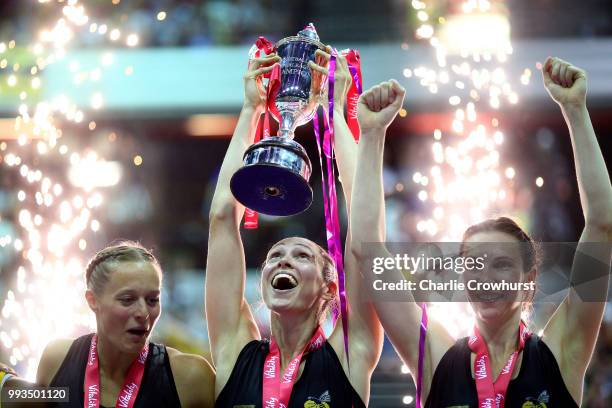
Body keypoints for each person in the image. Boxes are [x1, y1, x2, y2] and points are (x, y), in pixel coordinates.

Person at [350, 57, 611, 407]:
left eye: (501, 264)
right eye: (473, 264)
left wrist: (575, 110)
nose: (485, 276)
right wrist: (371, 134)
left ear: (528, 279)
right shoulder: (436, 358)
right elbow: (368, 250)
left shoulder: (561, 353)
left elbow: (602, 225)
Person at [206, 49, 390, 406]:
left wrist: (334, 111)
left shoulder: (350, 354)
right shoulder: (234, 351)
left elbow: (365, 230)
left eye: (301, 255)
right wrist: (251, 111)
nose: (282, 261)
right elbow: (222, 219)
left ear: (330, 287)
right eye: (275, 256)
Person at [34, 241, 215, 407]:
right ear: (92, 300)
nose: (143, 313)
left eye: (152, 300)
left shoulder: (190, 378)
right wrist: (6, 383)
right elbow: (18, 396)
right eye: (128, 299)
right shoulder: (57, 359)